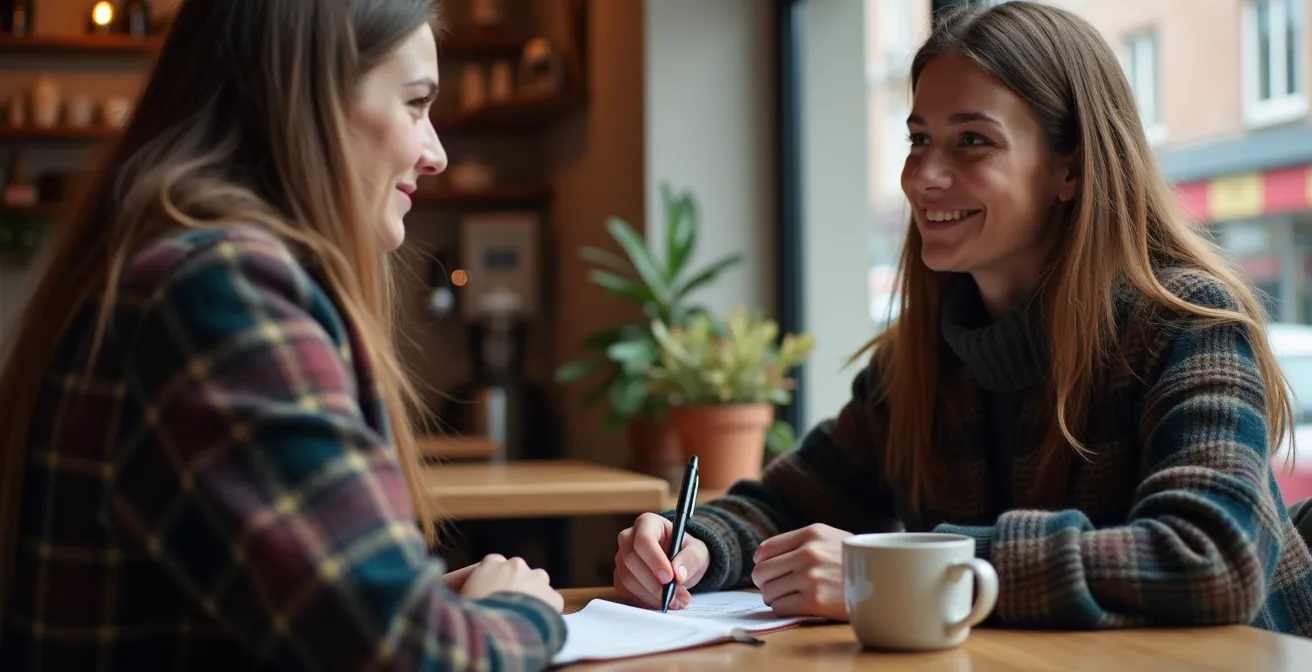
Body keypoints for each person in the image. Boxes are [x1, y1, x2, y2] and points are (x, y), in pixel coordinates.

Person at [614, 1, 1312, 636]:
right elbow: (787, 502)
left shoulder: (1185, 325)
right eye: (919, 139)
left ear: (1070, 168)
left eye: (971, 141)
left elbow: (1211, 556)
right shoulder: (920, 357)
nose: (923, 177)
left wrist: (912, 571)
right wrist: (693, 544)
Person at [0, 0, 565, 669]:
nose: (436, 153)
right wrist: (518, 611)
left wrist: (428, 604)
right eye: (416, 104)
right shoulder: (221, 292)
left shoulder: (183, 271)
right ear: (312, 96)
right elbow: (414, 656)